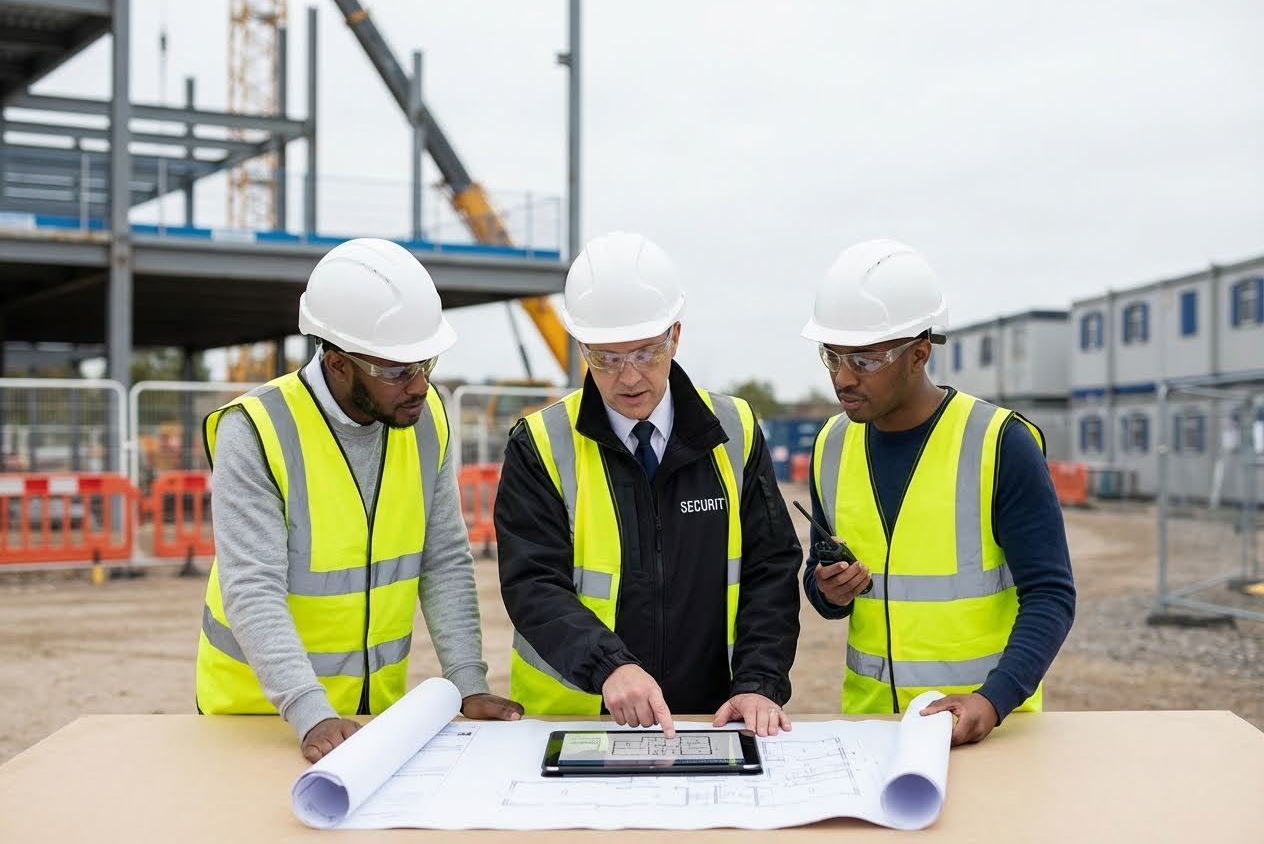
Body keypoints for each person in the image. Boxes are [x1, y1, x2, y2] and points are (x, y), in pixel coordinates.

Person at [195, 237, 522, 761]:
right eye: (395, 371)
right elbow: (251, 587)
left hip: (373, 716)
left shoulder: (426, 418)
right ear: (338, 362)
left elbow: (443, 557)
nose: (418, 385)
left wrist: (466, 680)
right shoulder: (256, 430)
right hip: (258, 718)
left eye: (425, 363)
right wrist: (309, 710)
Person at [496, 231, 802, 737]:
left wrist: (759, 681)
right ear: (582, 349)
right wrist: (609, 665)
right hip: (574, 722)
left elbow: (770, 569)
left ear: (675, 336)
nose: (629, 377)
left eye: (645, 353)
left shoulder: (735, 429)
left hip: (710, 718)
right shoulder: (540, 444)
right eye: (607, 359)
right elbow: (532, 583)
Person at [800, 238, 1076, 745]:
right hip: (872, 728)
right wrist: (827, 589)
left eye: (863, 360)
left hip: (983, 729)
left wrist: (993, 700)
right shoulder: (830, 446)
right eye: (832, 356)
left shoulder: (1000, 443)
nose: (842, 378)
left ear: (919, 354)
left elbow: (1051, 595)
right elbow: (822, 587)